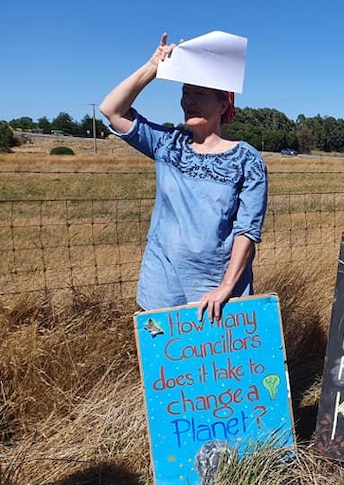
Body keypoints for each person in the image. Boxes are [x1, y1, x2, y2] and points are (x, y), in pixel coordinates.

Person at [100, 33, 268, 322]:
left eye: (199, 94)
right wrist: (154, 66)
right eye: (185, 92)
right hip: (161, 285)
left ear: (223, 106)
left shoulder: (247, 160)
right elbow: (112, 110)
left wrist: (226, 287)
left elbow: (247, 231)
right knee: (165, 364)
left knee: (220, 366)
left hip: (216, 290)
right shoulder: (168, 144)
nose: (188, 100)